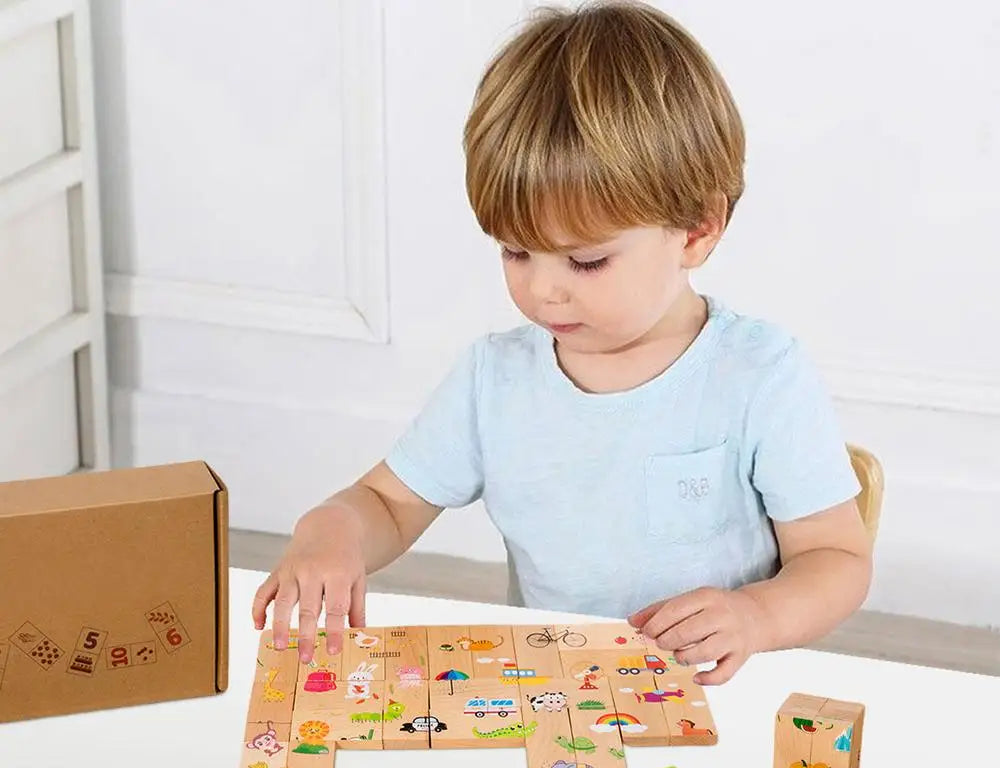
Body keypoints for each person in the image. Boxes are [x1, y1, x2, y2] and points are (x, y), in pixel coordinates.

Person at [252, 1, 872, 685]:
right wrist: (331, 531)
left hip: (716, 692)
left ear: (697, 231)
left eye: (585, 261)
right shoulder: (494, 380)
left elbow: (836, 560)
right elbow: (389, 504)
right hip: (554, 695)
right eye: (516, 251)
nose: (543, 290)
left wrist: (755, 615)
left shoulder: (758, 375)